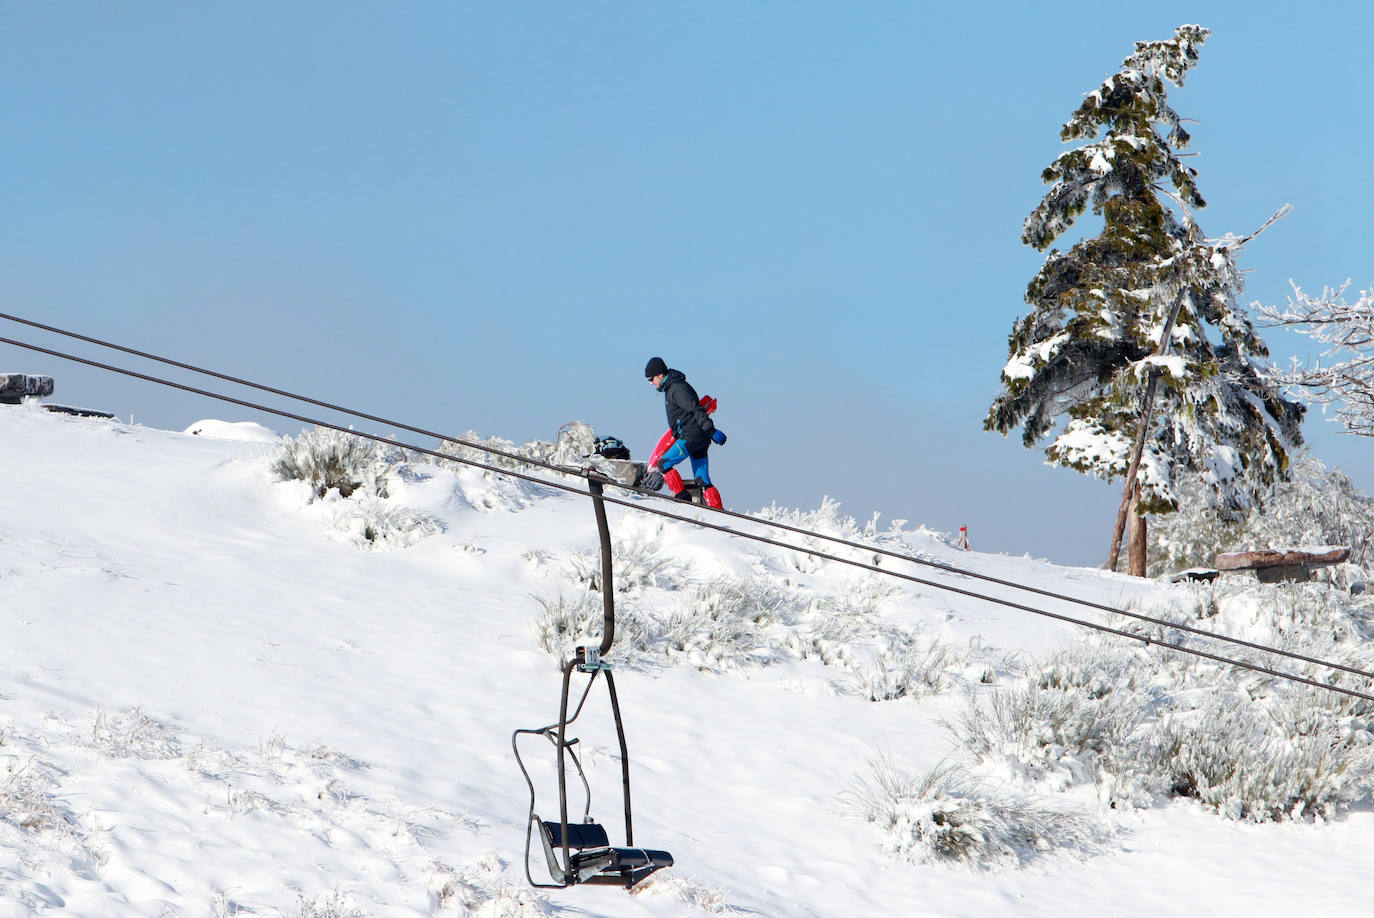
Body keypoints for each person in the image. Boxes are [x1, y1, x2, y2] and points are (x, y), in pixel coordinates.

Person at [644, 356, 726, 508]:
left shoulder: (676, 388)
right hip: (698, 436)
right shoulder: (672, 388)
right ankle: (719, 513)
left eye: (651, 378)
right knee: (703, 480)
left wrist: (710, 429)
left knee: (664, 464)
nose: (650, 383)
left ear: (660, 374)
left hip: (692, 435)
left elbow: (695, 408)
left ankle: (683, 501)